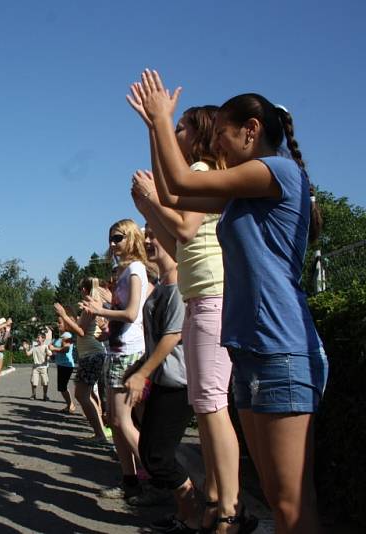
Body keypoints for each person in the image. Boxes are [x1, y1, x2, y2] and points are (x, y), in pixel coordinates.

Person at [136, 69, 325, 534]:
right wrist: (154, 129)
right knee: (280, 502)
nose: (216, 144)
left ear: (251, 130)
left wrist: (163, 119)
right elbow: (174, 192)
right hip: (252, 347)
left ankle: (221, 513)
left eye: (222, 133)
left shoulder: (277, 172)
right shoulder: (242, 195)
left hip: (281, 346)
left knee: (291, 505)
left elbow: (180, 180)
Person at [127, 88, 241, 534]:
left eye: (181, 127)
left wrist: (154, 199)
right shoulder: (200, 171)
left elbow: (183, 224)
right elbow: (175, 238)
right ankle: (217, 499)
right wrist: (151, 206)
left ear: (199, 136)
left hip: (212, 296)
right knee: (208, 403)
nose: (175, 133)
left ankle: (226, 508)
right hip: (203, 296)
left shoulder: (202, 167)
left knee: (212, 404)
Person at [125, 226, 200, 531]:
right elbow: (157, 341)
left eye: (153, 234)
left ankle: (193, 511)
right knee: (150, 451)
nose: (146, 241)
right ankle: (186, 514)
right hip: (162, 379)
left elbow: (172, 336)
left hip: (178, 382)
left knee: (157, 455)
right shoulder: (163, 286)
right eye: (145, 236)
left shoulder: (179, 285)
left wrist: (141, 373)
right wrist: (140, 369)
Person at [81, 219, 149, 500]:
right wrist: (105, 321)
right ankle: (130, 481)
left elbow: (133, 313)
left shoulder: (135, 269)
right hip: (116, 350)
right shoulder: (122, 272)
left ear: (132, 238)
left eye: (118, 238)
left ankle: (164, 479)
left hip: (130, 353)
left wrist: (102, 310)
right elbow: (123, 316)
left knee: (122, 421)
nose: (112, 243)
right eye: (110, 238)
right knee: (117, 422)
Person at [55, 280, 111, 445]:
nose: (80, 292)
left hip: (92, 355)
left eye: (81, 289)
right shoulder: (90, 307)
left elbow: (80, 331)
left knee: (82, 394)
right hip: (91, 354)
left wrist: (64, 316)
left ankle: (100, 432)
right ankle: (100, 430)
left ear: (85, 290)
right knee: (86, 394)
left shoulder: (90, 308)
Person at [49, 330, 76, 413]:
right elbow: (60, 350)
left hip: (66, 364)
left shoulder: (67, 335)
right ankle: (69, 405)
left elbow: (66, 349)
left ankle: (70, 405)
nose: (58, 324)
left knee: (62, 387)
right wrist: (53, 355)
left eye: (60, 322)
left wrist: (53, 348)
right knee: (62, 387)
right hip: (61, 364)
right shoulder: (61, 336)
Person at [23, 329, 53, 401]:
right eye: (37, 337)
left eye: (38, 337)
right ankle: (33, 395)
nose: (37, 339)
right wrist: (25, 349)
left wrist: (47, 352)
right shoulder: (34, 347)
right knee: (33, 382)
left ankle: (45, 396)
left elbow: (50, 354)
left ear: (43, 339)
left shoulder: (45, 346)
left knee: (45, 382)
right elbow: (28, 354)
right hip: (35, 367)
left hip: (44, 367)